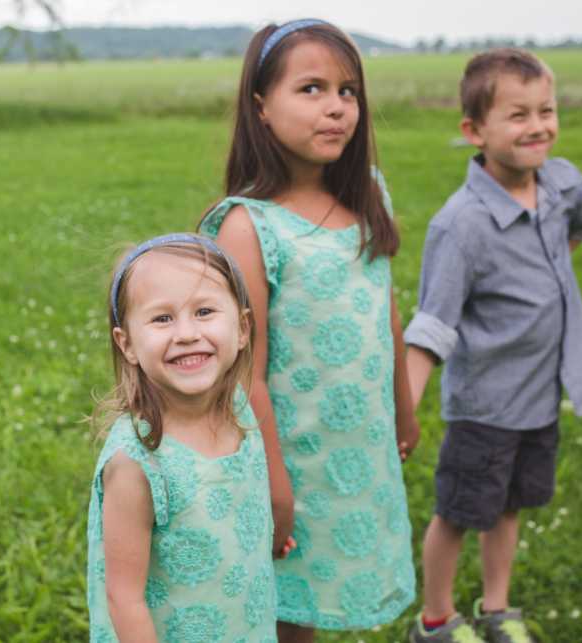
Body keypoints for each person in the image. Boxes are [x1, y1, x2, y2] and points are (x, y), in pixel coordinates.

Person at [198, 19, 419, 642]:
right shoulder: (247, 225)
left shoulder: (369, 194)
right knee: (283, 607)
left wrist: (403, 409)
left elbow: (386, 313)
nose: (336, 109)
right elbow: (246, 370)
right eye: (312, 89)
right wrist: (273, 480)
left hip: (356, 447)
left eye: (348, 92)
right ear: (262, 107)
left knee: (317, 600)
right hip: (291, 454)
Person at [404, 48, 582, 643]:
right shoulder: (460, 225)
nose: (538, 125)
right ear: (474, 130)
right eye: (518, 115)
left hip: (539, 395)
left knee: (510, 505)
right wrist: (404, 409)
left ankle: (497, 608)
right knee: (460, 512)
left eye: (547, 109)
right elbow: (432, 325)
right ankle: (436, 620)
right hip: (485, 406)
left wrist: (549, 272)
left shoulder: (562, 184)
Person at [86, 233, 291, 642]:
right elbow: (123, 598)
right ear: (126, 344)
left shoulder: (238, 407)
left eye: (204, 311)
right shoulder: (137, 462)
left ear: (243, 328)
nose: (186, 333)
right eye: (162, 318)